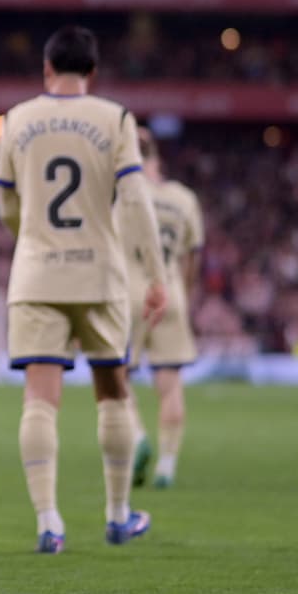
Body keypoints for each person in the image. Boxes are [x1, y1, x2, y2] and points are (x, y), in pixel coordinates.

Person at [0, 24, 167, 553]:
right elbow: (136, 203)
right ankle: (117, 515)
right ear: (93, 72)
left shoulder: (16, 118)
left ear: (46, 68)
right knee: (112, 393)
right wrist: (156, 275)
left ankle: (49, 522)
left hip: (37, 275)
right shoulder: (113, 118)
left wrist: (33, 240)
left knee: (39, 401)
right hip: (99, 274)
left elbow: (6, 205)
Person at [125, 126, 203, 489]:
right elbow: (191, 256)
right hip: (171, 291)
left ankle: (138, 436)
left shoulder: (123, 193)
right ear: (158, 156)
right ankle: (167, 465)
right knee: (170, 386)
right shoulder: (184, 199)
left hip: (130, 292)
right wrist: (182, 292)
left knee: (115, 377)